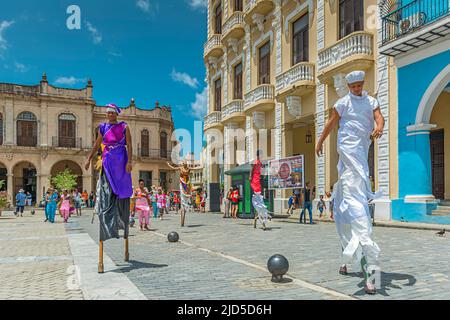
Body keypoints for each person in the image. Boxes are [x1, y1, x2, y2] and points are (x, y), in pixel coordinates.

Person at [315, 70, 385, 295]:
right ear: (348, 86)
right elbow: (330, 123)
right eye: (353, 85)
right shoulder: (343, 103)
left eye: (359, 85)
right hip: (347, 155)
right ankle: (353, 267)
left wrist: (380, 127)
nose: (356, 88)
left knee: (363, 229)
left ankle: (371, 279)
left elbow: (379, 117)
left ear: (363, 84)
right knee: (348, 222)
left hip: (360, 163)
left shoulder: (371, 100)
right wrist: (320, 141)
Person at [85, 103, 133, 248]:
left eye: (112, 113)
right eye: (108, 113)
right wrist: (89, 158)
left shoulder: (124, 127)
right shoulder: (103, 127)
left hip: (121, 159)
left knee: (122, 191)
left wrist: (129, 162)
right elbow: (96, 144)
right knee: (107, 189)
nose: (110, 115)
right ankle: (107, 216)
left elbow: (129, 145)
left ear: (116, 114)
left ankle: (121, 218)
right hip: (107, 160)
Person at [250, 150, 271, 230]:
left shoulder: (261, 163)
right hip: (255, 183)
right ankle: (263, 224)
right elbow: (251, 169)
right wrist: (250, 176)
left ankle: (256, 219)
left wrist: (265, 175)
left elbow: (262, 170)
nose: (262, 156)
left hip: (258, 183)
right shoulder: (255, 161)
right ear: (259, 155)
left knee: (260, 205)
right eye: (261, 155)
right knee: (260, 205)